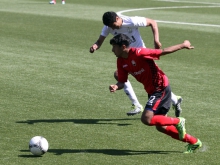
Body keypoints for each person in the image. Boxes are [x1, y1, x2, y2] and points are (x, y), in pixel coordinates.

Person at [108, 33, 202, 153]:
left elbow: (162, 51)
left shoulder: (139, 53)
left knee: (146, 119)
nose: (112, 50)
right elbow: (122, 81)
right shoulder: (121, 61)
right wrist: (116, 86)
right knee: (161, 126)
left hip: (160, 87)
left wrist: (183, 45)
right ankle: (194, 142)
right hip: (152, 90)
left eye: (114, 47)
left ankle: (179, 121)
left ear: (123, 46)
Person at [90, 11, 182, 117]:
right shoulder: (108, 27)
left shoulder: (132, 21)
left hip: (141, 56)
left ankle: (173, 102)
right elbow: (99, 41)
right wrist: (95, 47)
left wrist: (156, 40)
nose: (113, 29)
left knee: (154, 81)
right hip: (126, 57)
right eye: (111, 27)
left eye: (113, 26)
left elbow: (152, 22)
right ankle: (137, 105)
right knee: (119, 75)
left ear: (117, 18)